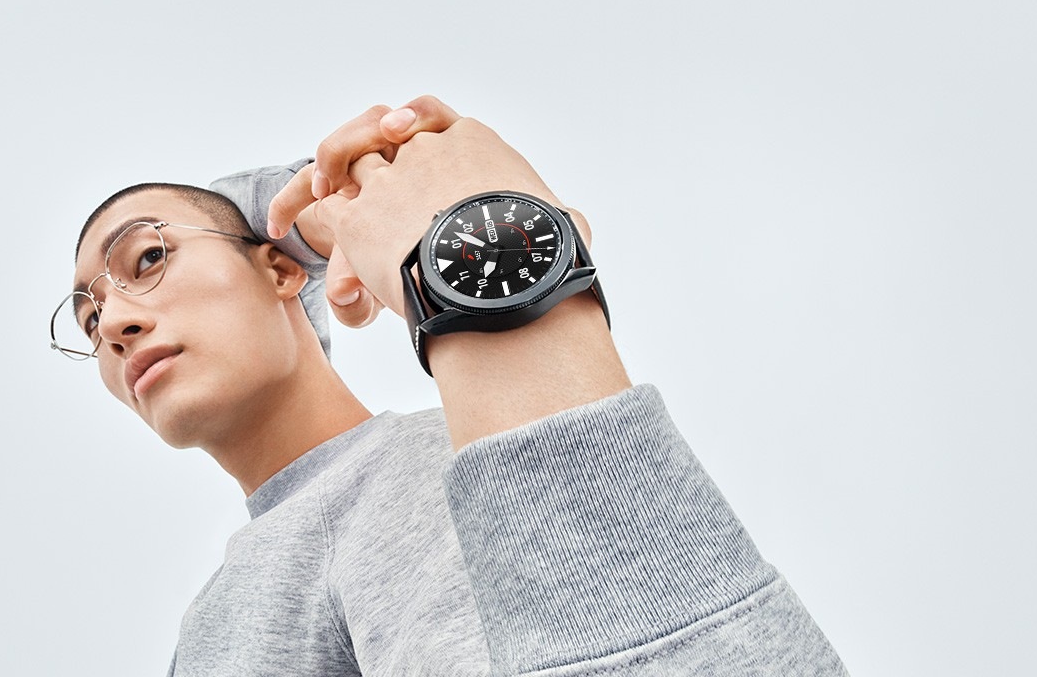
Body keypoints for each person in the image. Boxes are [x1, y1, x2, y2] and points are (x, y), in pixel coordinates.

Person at [52, 96, 850, 676]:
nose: (114, 320)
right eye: (88, 319)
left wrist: (455, 234)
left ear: (281, 267)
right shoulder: (217, 609)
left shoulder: (428, 472)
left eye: (148, 259)